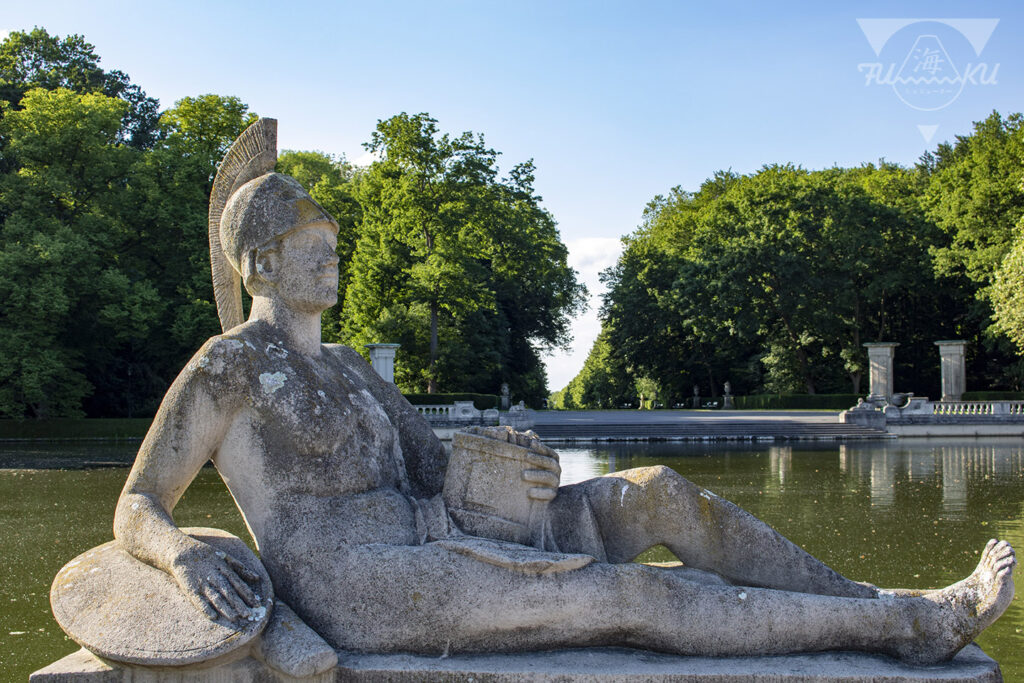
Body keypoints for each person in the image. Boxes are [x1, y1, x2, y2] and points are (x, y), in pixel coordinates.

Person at [114, 156, 1015, 672]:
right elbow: (136, 504)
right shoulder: (226, 367)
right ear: (261, 263)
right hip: (359, 581)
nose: (334, 258)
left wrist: (511, 466)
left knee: (657, 490)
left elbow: (436, 467)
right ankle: (908, 626)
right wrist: (183, 550)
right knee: (629, 592)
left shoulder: (352, 366)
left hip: (438, 527)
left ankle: (868, 599)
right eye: (315, 245)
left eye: (334, 244)